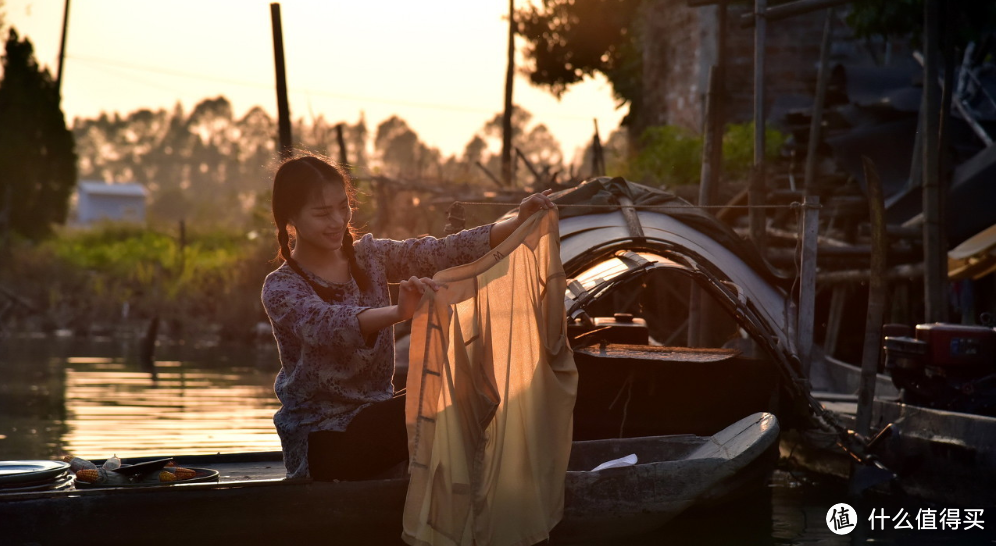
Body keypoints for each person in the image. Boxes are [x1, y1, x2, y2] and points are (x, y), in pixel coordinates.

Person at [260, 154, 556, 480]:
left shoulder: (371, 256)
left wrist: (518, 222)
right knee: (436, 403)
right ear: (291, 218)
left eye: (343, 207)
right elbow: (326, 325)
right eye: (321, 213)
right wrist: (398, 313)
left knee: (473, 386)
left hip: (378, 420)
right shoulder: (281, 287)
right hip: (322, 441)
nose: (337, 221)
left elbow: (441, 252)